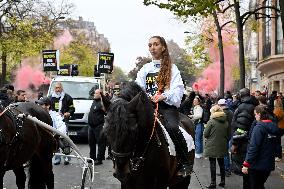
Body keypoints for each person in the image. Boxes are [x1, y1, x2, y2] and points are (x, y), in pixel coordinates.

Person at [135, 36, 190, 177]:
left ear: (163, 47)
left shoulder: (173, 68)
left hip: (167, 108)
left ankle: (184, 163)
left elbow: (178, 90)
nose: (152, 48)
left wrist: (163, 96)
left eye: (155, 44)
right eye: (150, 45)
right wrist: (146, 97)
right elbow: (138, 87)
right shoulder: (145, 68)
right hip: (148, 108)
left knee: (172, 128)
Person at [242, 105, 280, 189]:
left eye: (255, 114)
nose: (255, 116)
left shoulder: (259, 128)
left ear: (259, 114)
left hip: (257, 164)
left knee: (255, 185)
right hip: (268, 164)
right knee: (260, 185)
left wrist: (246, 163)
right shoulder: (274, 127)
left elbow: (253, 147)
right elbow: (277, 144)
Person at [231, 88, 257, 189]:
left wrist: (234, 143)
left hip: (244, 143)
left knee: (246, 173)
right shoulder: (252, 105)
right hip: (249, 141)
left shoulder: (244, 107)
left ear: (241, 96)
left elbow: (241, 128)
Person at [204, 105, 230, 188]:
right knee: (221, 163)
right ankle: (223, 181)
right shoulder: (226, 122)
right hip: (222, 145)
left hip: (212, 145)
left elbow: (205, 134)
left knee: (212, 164)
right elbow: (228, 134)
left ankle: (213, 183)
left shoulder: (211, 122)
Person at [49, 82, 75, 165]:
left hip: (64, 121)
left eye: (59, 88)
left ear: (61, 88)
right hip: (54, 122)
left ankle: (67, 158)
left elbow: (72, 108)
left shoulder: (67, 97)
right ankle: (57, 159)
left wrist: (68, 113)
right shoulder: (51, 98)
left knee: (65, 139)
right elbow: (48, 108)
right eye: (56, 88)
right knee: (55, 139)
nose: (57, 90)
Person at [88, 89, 107, 165]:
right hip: (91, 126)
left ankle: (99, 159)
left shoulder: (101, 103)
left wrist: (103, 99)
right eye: (94, 93)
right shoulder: (94, 101)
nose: (94, 95)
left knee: (101, 143)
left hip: (98, 126)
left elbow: (106, 111)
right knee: (91, 143)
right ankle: (92, 158)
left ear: (100, 95)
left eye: (96, 93)